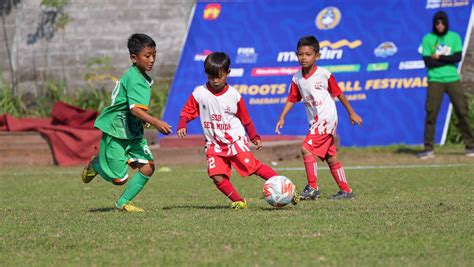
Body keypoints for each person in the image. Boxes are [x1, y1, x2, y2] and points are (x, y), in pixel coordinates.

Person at [177, 52, 298, 209]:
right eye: (210, 76)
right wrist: (182, 124)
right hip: (214, 145)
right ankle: (239, 201)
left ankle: (288, 189)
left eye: (218, 76)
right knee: (216, 176)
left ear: (228, 73)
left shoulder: (233, 95)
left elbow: (245, 119)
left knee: (253, 167)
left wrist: (254, 136)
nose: (214, 80)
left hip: (235, 141)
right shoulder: (199, 93)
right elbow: (187, 111)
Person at [81, 33, 172, 212]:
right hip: (117, 131)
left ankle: (122, 203)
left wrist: (142, 119)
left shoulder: (141, 77)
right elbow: (134, 109)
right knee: (119, 179)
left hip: (133, 132)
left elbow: (134, 108)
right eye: (147, 56)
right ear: (133, 57)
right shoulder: (135, 78)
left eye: (154, 54)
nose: (152, 59)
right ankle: (96, 164)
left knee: (148, 167)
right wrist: (156, 122)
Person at [275, 35, 362, 200]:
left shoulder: (324, 75)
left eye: (308, 54)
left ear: (317, 56)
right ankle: (346, 191)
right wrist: (282, 117)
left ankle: (313, 188)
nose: (303, 58)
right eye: (300, 54)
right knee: (331, 157)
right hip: (315, 121)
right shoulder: (297, 78)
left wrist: (351, 112)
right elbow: (292, 98)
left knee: (306, 149)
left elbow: (339, 94)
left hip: (326, 119)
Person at [418, 11, 474, 159]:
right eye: (437, 23)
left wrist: (439, 57)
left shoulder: (454, 37)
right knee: (431, 113)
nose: (440, 25)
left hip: (452, 79)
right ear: (434, 24)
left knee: (462, 111)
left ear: (446, 24)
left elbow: (457, 57)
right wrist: (446, 60)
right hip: (435, 80)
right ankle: (428, 148)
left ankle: (470, 146)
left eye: (442, 23)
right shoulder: (428, 39)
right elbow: (428, 61)